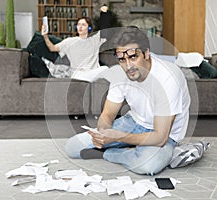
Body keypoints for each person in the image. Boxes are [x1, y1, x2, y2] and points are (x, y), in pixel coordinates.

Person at [65, 26, 196, 175]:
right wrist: (103, 133)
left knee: (148, 165)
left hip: (165, 134)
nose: (128, 66)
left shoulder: (168, 77)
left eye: (133, 57)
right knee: (73, 147)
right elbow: (107, 114)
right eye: (122, 59)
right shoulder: (120, 74)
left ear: (146, 53)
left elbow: (160, 137)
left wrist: (119, 137)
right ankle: (133, 150)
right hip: (134, 123)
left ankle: (108, 154)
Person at [40, 6, 112, 80]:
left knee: (105, 69)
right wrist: (45, 35)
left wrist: (104, 14)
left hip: (92, 73)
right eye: (78, 25)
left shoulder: (95, 39)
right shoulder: (69, 41)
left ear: (89, 28)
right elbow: (52, 48)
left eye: (83, 25)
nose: (80, 27)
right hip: (78, 75)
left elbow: (105, 30)